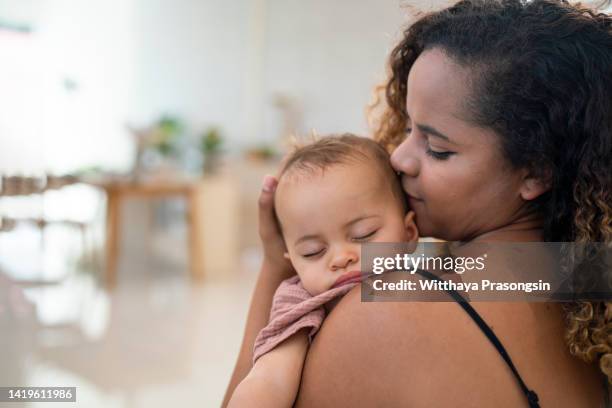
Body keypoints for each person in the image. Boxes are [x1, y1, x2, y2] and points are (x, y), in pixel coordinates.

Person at [224, 0, 611, 406]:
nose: (399, 157)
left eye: (438, 149)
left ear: (536, 171)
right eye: (408, 127)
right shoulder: (586, 281)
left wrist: (276, 269)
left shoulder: (381, 315)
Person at [228, 134, 419, 407]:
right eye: (313, 252)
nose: (341, 258)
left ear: (409, 232)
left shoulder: (429, 276)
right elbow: (270, 378)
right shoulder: (301, 301)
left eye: (363, 235)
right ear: (292, 261)